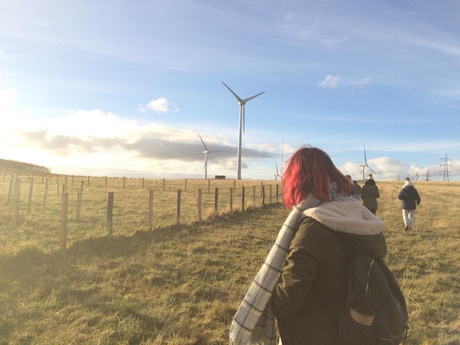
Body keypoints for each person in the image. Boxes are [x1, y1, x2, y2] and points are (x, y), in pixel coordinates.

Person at [266, 146, 386, 345]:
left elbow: (290, 295)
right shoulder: (353, 212)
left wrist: (269, 301)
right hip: (349, 328)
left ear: (297, 182)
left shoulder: (314, 226)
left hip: (313, 334)